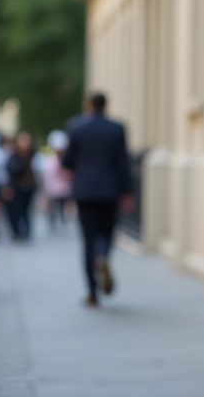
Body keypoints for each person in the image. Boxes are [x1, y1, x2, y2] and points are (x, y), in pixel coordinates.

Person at [63, 93, 135, 307]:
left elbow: (67, 161)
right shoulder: (117, 128)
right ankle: (102, 255)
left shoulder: (76, 127)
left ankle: (92, 293)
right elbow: (123, 162)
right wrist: (127, 192)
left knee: (88, 240)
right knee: (106, 232)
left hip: (85, 191)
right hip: (109, 191)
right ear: (105, 106)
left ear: (88, 105)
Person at [4, 131, 38, 241]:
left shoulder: (33, 156)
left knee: (26, 211)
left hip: (28, 187)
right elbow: (11, 171)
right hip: (17, 188)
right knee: (16, 211)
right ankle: (17, 232)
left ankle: (26, 232)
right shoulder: (14, 157)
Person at [41, 130, 74, 230]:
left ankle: (62, 219)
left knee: (62, 205)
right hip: (52, 186)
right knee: (53, 206)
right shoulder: (48, 157)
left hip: (63, 187)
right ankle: (52, 221)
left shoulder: (66, 157)